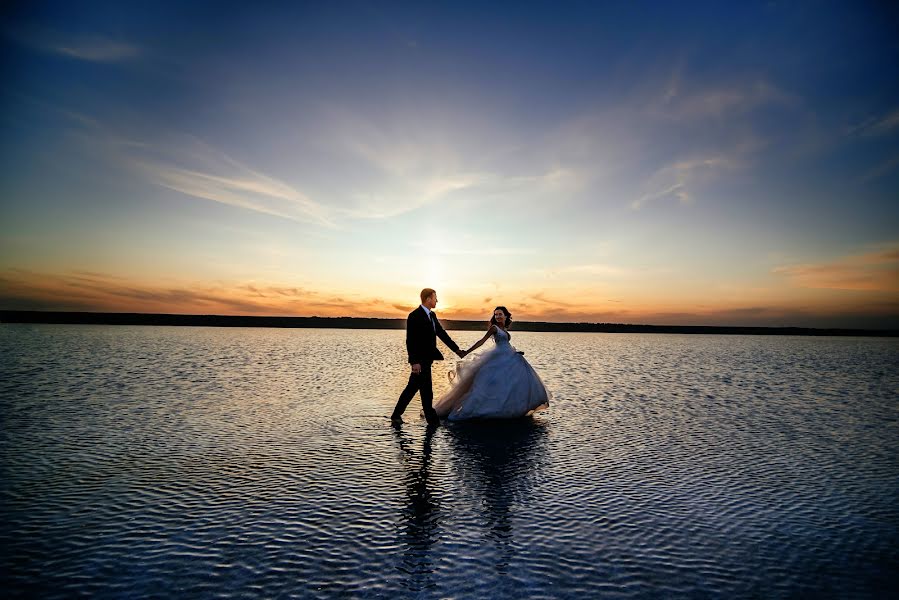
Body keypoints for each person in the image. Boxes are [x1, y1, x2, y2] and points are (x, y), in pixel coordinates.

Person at [433, 306, 549, 421]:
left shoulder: (504, 329)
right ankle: (486, 409)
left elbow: (506, 345)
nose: (497, 316)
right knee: (492, 384)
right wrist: (466, 352)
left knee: (513, 384)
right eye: (496, 314)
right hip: (498, 358)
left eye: (500, 314)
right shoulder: (494, 328)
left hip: (509, 357)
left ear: (506, 316)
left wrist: (516, 351)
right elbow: (481, 341)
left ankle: (511, 408)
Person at [391, 288, 467, 425]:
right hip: (419, 361)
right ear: (428, 299)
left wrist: (457, 350)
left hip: (427, 360)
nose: (436, 300)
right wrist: (414, 362)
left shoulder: (432, 316)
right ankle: (432, 421)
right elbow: (411, 340)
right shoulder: (414, 315)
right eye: (435, 297)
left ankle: (397, 415)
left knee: (414, 388)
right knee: (425, 391)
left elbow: (442, 334)